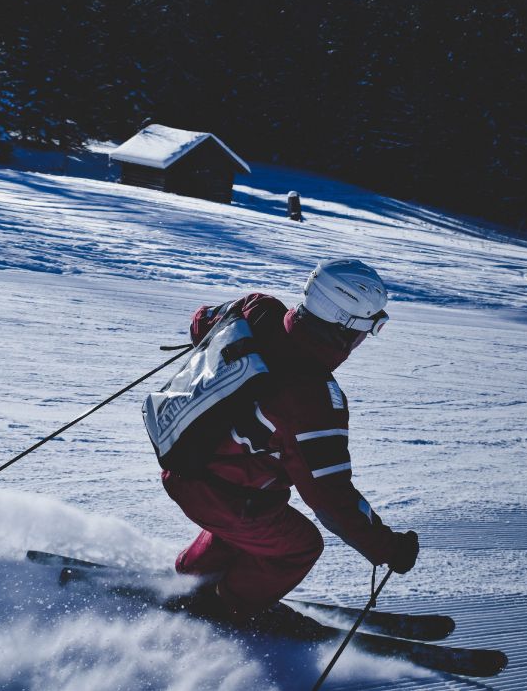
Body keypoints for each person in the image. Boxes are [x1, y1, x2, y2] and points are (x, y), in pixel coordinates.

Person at [160, 259, 419, 626]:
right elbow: (331, 498)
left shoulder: (257, 308)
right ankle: (226, 609)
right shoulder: (313, 399)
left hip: (181, 462)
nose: (366, 339)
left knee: (260, 515)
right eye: (370, 328)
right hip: (223, 495)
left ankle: (192, 581)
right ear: (345, 327)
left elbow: (200, 321)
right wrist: (388, 548)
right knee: (298, 546)